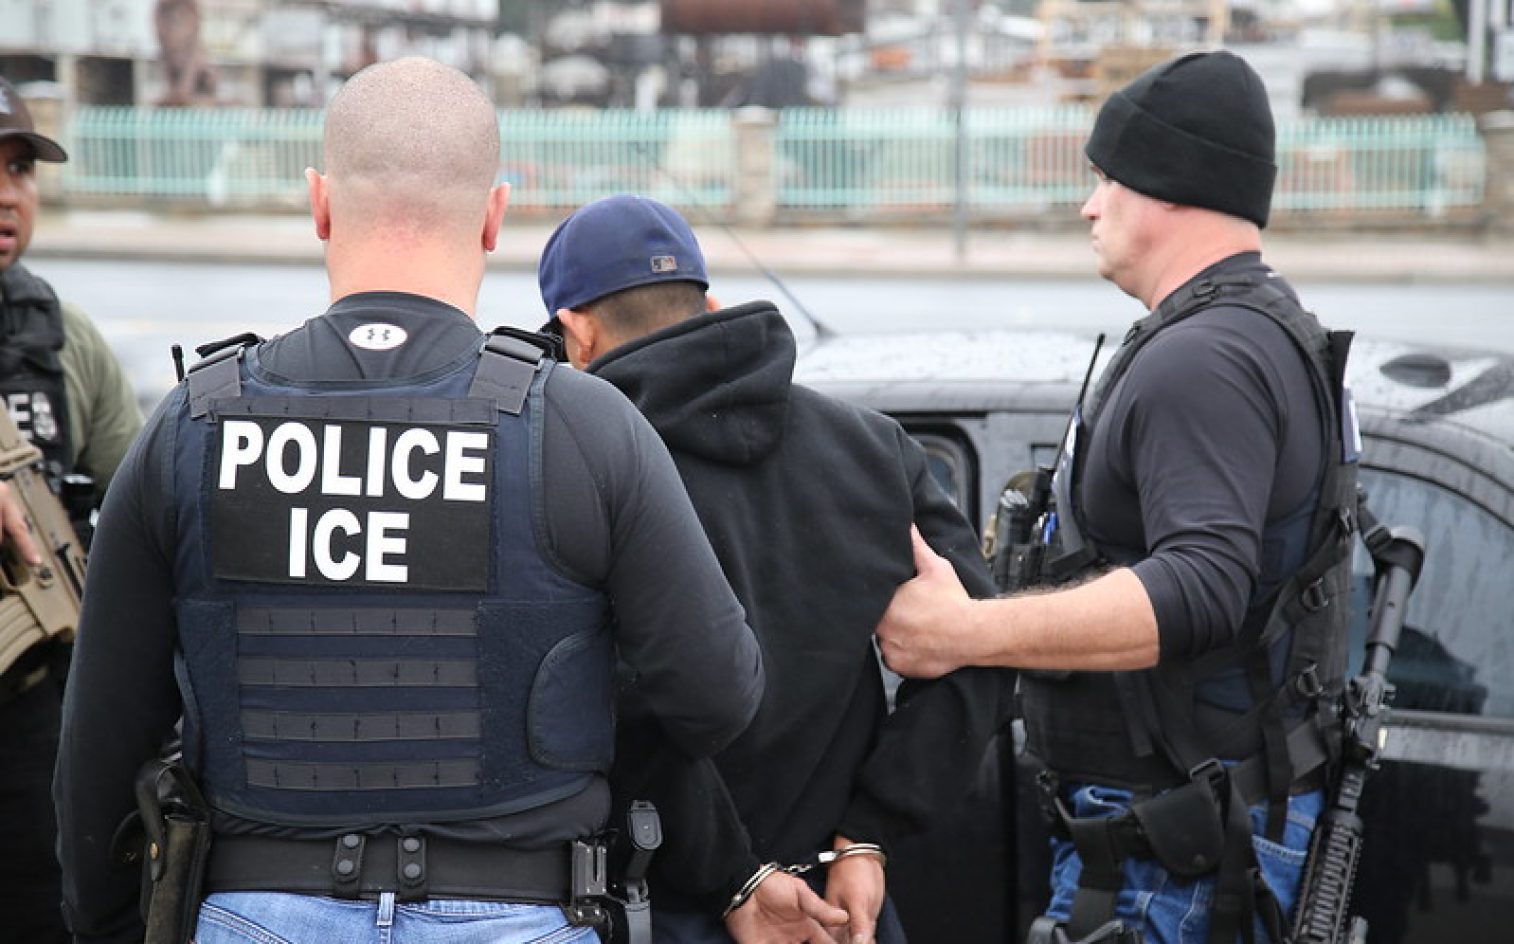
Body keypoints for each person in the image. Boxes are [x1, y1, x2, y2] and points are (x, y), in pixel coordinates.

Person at [53, 58, 764, 944]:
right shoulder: (584, 425)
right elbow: (717, 695)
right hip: (526, 912)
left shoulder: (194, 424)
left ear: (318, 204)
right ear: (496, 217)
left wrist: (109, 922)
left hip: (253, 910)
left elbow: (100, 739)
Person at [876, 51, 1359, 944]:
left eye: (1108, 180)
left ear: (1173, 185)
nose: (1089, 204)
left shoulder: (1202, 361)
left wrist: (962, 631)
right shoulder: (1256, 331)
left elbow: (1204, 585)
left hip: (1166, 861)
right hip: (1189, 838)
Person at [538, 194, 1013, 944]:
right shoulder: (872, 449)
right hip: (841, 909)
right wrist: (868, 835)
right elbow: (982, 653)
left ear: (577, 334)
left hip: (666, 907)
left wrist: (734, 876)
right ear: (710, 307)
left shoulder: (589, 471)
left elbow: (608, 707)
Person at [0, 73, 144, 943]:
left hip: (33, 721)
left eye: (20, 169)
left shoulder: (63, 339)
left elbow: (142, 528)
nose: (7, 194)